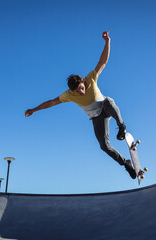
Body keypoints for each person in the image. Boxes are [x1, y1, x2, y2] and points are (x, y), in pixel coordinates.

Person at [25, 31, 136, 179]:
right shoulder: (68, 95)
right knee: (104, 146)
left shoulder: (91, 78)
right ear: (72, 91)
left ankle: (121, 126)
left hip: (105, 108)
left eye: (82, 88)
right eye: (77, 91)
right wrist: (34, 109)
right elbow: (52, 102)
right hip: (97, 118)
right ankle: (126, 164)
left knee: (108, 101)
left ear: (83, 82)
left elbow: (103, 62)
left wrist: (107, 42)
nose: (81, 92)